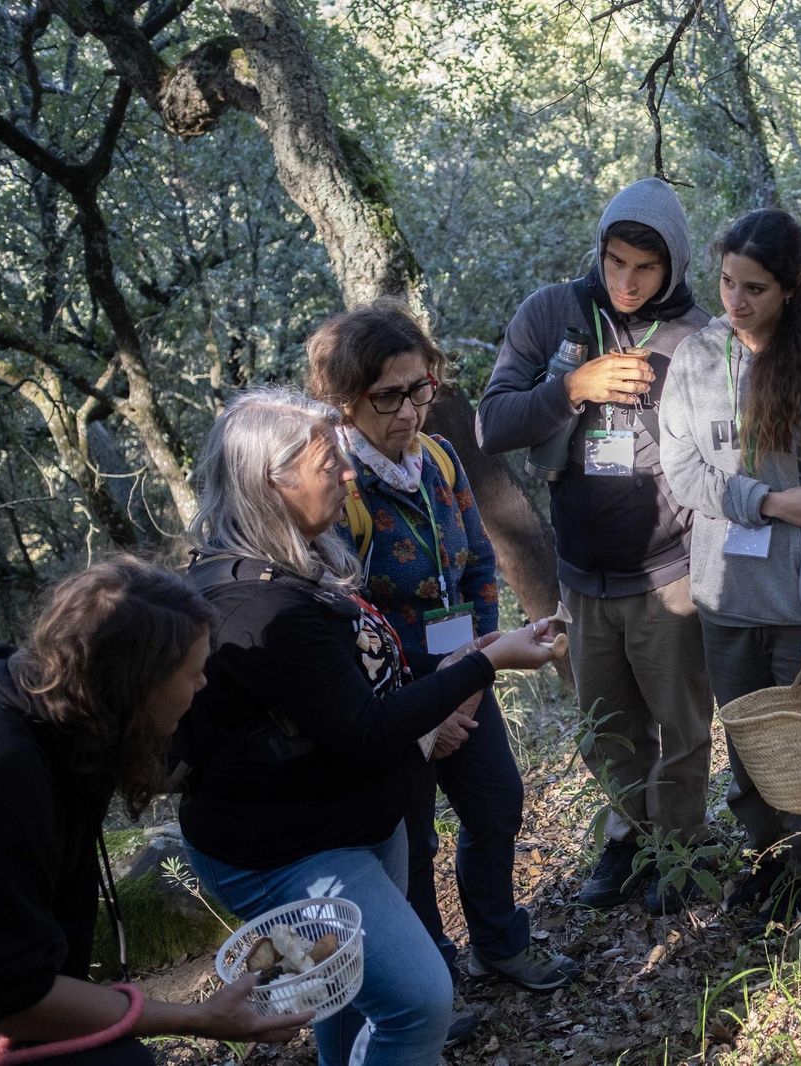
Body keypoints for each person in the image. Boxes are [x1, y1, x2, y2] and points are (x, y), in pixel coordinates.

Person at [176, 386, 564, 1066]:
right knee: (417, 998)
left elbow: (353, 671)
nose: (349, 476)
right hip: (292, 848)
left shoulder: (298, 563)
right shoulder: (255, 605)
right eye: (332, 465)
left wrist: (468, 653)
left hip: (350, 824)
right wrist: (483, 666)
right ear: (274, 481)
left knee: (353, 1000)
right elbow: (366, 724)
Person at [304, 301, 580, 999]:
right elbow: (339, 614)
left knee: (496, 804)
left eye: (419, 388)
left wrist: (476, 674)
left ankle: (498, 940)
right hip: (386, 706)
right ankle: (433, 973)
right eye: (386, 396)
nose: (407, 411)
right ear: (345, 400)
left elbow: (478, 566)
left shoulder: (438, 458)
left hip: (466, 673)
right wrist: (422, 712)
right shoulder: (336, 487)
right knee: (410, 843)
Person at [477, 178, 715, 915]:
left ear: (672, 264)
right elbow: (492, 423)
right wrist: (572, 386)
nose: (627, 282)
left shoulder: (696, 334)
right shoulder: (555, 312)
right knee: (604, 727)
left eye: (645, 268)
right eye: (615, 262)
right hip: (582, 572)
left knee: (681, 725)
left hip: (669, 569)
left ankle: (680, 847)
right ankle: (631, 838)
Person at [0, 557, 311, 1065]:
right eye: (193, 673)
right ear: (137, 686)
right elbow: (8, 997)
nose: (202, 687)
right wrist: (200, 1018)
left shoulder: (55, 704)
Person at [658, 208, 801, 925]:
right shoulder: (695, 359)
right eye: (726, 283)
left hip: (799, 603)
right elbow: (682, 473)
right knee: (748, 751)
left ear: (789, 289)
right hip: (725, 596)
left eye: (754, 289)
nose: (736, 302)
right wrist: (769, 500)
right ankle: (771, 861)